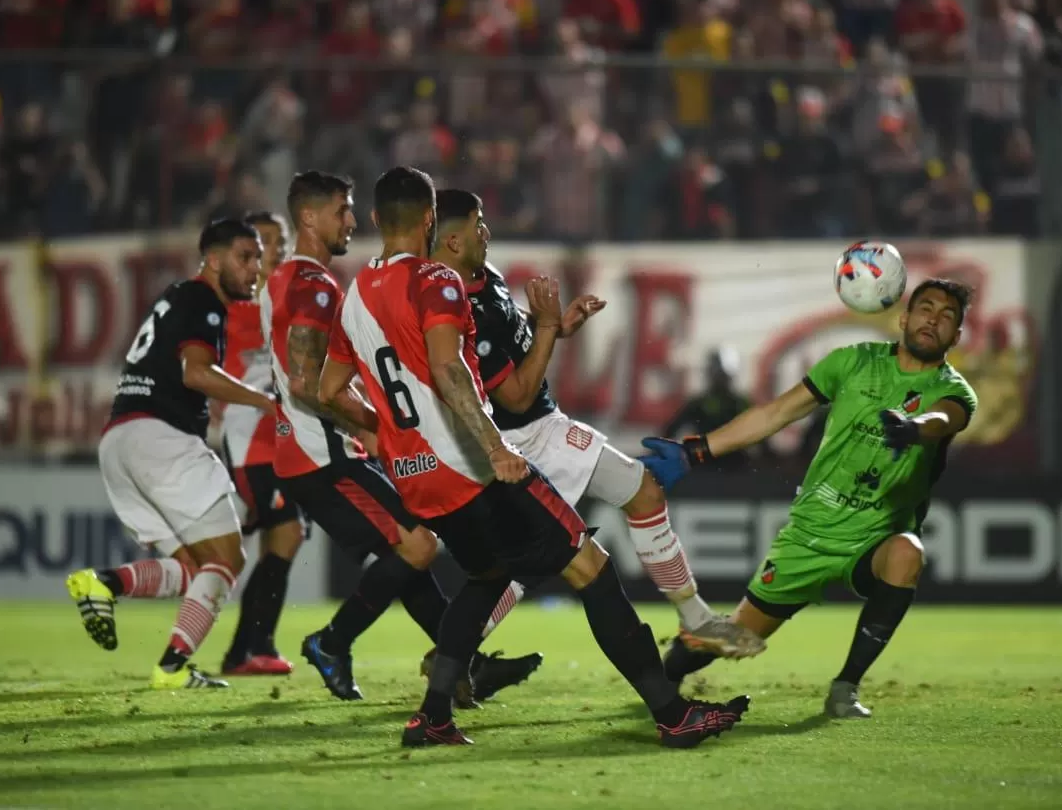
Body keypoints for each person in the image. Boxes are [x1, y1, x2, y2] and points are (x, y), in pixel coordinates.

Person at [319, 166, 749, 748]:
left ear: (374, 220)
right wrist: (496, 448)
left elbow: (324, 391)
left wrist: (383, 433)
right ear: (428, 221)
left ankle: (433, 716)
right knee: (590, 567)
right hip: (474, 466)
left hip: (416, 478)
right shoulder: (436, 281)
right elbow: (450, 371)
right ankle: (674, 714)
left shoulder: (354, 298)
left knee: (486, 577)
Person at [423, 189, 763, 660]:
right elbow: (516, 395)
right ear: (453, 241)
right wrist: (545, 329)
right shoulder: (458, 307)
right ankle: (450, 658)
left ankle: (697, 619)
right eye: (478, 225)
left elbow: (518, 334)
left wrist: (559, 324)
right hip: (519, 438)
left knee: (626, 501)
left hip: (541, 430)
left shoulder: (487, 277)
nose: (488, 232)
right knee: (527, 561)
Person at [641, 279, 979, 718]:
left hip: (876, 536)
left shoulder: (955, 392)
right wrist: (697, 450)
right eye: (925, 308)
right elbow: (777, 412)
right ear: (904, 318)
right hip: (810, 534)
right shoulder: (852, 362)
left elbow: (944, 419)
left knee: (906, 553)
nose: (933, 319)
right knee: (730, 640)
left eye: (947, 315)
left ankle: (846, 688)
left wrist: (915, 428)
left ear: (955, 336)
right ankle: (669, 674)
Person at [264, 171, 538, 703]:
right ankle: (332, 641)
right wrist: (381, 422)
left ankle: (464, 667)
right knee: (419, 544)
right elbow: (309, 383)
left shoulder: (281, 280)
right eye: (340, 210)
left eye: (351, 210)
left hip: (304, 449)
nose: (349, 220)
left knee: (410, 553)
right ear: (309, 218)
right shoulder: (319, 287)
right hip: (322, 450)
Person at [65, 219, 274, 690]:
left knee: (195, 571)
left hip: (120, 439)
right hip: (161, 438)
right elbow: (196, 374)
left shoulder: (178, 296)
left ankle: (106, 584)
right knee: (227, 559)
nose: (255, 269)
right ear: (214, 259)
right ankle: (172, 667)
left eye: (258, 258)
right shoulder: (204, 300)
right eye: (245, 256)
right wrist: (265, 401)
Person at [217, 210, 303, 676]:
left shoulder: (282, 297)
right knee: (286, 533)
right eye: (265, 241)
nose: (277, 249)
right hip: (251, 439)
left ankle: (246, 651)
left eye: (281, 240)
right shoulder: (239, 305)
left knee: (282, 537)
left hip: (283, 439)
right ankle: (252, 647)